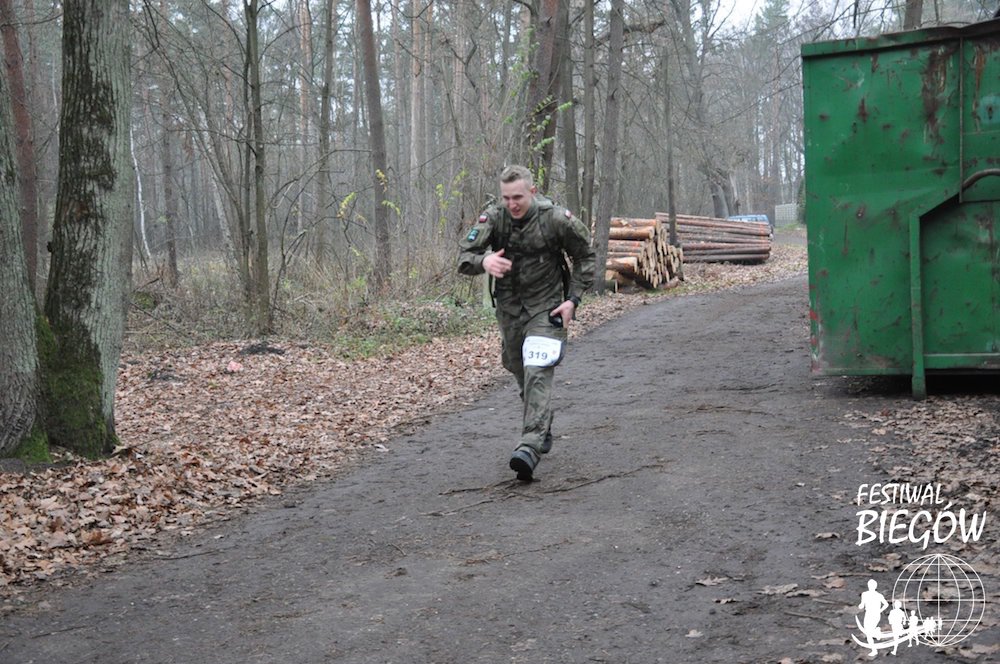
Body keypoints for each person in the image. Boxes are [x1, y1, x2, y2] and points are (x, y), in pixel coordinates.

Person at [458, 165, 596, 481]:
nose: (512, 204)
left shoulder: (556, 219)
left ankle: (530, 445)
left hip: (546, 307)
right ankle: (541, 420)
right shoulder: (494, 218)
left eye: (518, 197)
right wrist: (484, 261)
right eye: (506, 198)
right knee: (518, 368)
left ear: (532, 192)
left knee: (537, 370)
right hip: (509, 309)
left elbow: (586, 257)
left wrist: (572, 300)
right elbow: (464, 258)